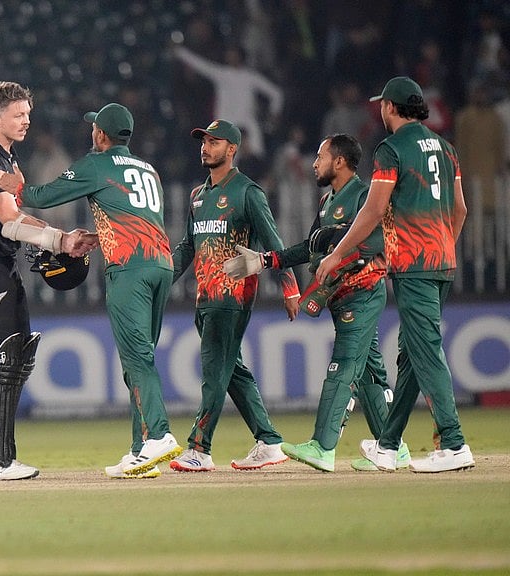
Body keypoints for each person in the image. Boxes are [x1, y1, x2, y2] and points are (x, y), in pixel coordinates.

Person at [0, 102, 182, 479]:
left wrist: (15, 186)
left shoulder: (95, 164)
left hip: (128, 270)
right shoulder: (148, 170)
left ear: (100, 134)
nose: (91, 133)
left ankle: (159, 435)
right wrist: (106, 234)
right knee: (139, 359)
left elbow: (44, 196)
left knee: (136, 360)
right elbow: (140, 218)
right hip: (160, 265)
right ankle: (139, 450)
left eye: (94, 128)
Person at [225, 133, 409, 472]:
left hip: (363, 292)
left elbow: (377, 237)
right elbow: (310, 247)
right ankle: (392, 448)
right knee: (369, 374)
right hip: (339, 295)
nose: (314, 163)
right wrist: (266, 261)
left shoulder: (366, 195)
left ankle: (323, 447)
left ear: (339, 161)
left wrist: (337, 239)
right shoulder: (327, 201)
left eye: (320, 156)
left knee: (342, 366)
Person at [317, 76, 474, 473]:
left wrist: (336, 255)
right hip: (442, 262)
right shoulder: (446, 147)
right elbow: (461, 211)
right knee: (411, 355)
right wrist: (443, 248)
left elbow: (371, 212)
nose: (380, 111)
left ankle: (453, 443)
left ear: (390, 107)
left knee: (426, 352)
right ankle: (388, 445)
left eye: (382, 105)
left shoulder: (391, 150)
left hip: (414, 267)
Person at [0, 80, 95, 481]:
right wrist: (59, 239)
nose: (26, 121)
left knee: (14, 358)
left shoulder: (8, 158)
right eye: (18, 115)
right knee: (1, 361)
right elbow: (9, 220)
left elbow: (17, 217)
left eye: (28, 115)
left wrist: (57, 237)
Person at [169, 119, 300, 472]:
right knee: (232, 371)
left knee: (214, 371)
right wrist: (160, 278)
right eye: (203, 141)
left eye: (214, 142)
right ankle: (269, 441)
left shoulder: (247, 192)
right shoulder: (198, 196)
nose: (205, 147)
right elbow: (186, 246)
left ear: (232, 149)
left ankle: (199, 447)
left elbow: (275, 245)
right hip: (205, 296)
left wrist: (290, 287)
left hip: (232, 295)